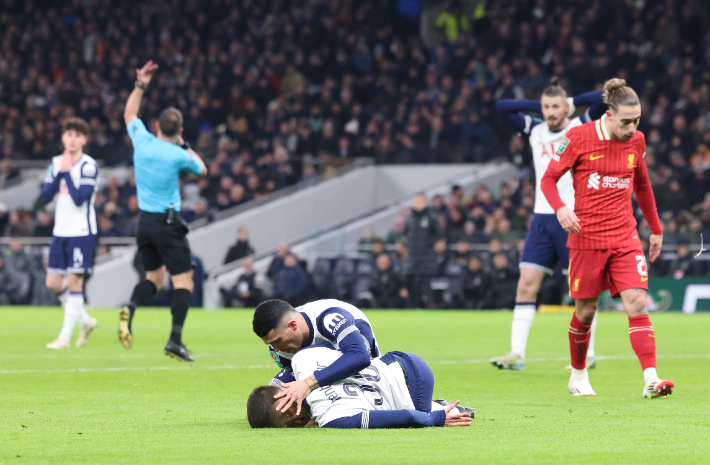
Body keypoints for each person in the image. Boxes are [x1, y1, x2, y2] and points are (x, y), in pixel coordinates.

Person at [541, 78, 673, 398]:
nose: (632, 128)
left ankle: (651, 379)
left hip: (625, 236)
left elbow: (642, 186)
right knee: (585, 311)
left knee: (637, 301)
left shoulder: (636, 142)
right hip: (586, 239)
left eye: (637, 121)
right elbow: (548, 179)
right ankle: (578, 375)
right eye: (626, 122)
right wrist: (560, 209)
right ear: (609, 115)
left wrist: (655, 229)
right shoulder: (578, 137)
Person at [490, 79, 607, 370]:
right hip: (542, 218)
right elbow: (501, 106)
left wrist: (572, 100)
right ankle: (516, 354)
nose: (551, 112)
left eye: (556, 106)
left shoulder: (580, 124)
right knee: (526, 285)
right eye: (547, 107)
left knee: (581, 290)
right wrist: (537, 106)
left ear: (566, 106)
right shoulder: (534, 129)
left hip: (573, 217)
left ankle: (588, 353)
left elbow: (605, 98)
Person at [118, 61, 207, 361]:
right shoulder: (177, 154)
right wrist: (185, 144)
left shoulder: (142, 141)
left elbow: (130, 113)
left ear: (156, 126)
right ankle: (175, 340)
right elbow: (202, 169)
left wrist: (141, 84)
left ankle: (130, 306)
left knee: (154, 281)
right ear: (178, 130)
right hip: (168, 223)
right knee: (183, 281)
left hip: (144, 223)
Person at [247, 345, 473, 429]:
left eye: (287, 425)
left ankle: (441, 409)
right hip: (397, 358)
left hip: (413, 390)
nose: (297, 426)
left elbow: (405, 417)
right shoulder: (302, 360)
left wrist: (435, 419)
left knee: (422, 418)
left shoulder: (331, 418)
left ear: (287, 411)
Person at [252, 298, 381, 416]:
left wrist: (308, 384)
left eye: (277, 341)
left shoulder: (329, 317)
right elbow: (298, 381)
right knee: (271, 396)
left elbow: (359, 356)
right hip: (323, 370)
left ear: (293, 325)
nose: (276, 349)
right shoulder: (280, 350)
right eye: (270, 344)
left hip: (365, 370)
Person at [39, 117, 99, 350]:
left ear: (85, 139)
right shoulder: (55, 163)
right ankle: (85, 321)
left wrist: (65, 174)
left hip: (81, 231)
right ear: (63, 137)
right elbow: (44, 198)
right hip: (60, 230)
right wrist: (59, 173)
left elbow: (79, 199)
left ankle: (64, 338)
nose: (73, 139)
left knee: (74, 281)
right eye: (69, 134)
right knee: (53, 282)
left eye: (78, 135)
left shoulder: (89, 165)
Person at [401, 193, 443, 308]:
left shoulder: (431, 217)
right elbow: (404, 236)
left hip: (427, 260)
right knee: (411, 287)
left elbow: (439, 235)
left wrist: (436, 244)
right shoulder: (409, 218)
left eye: (420, 201)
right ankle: (412, 309)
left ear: (425, 202)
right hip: (412, 259)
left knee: (427, 289)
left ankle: (429, 309)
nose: (418, 204)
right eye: (416, 201)